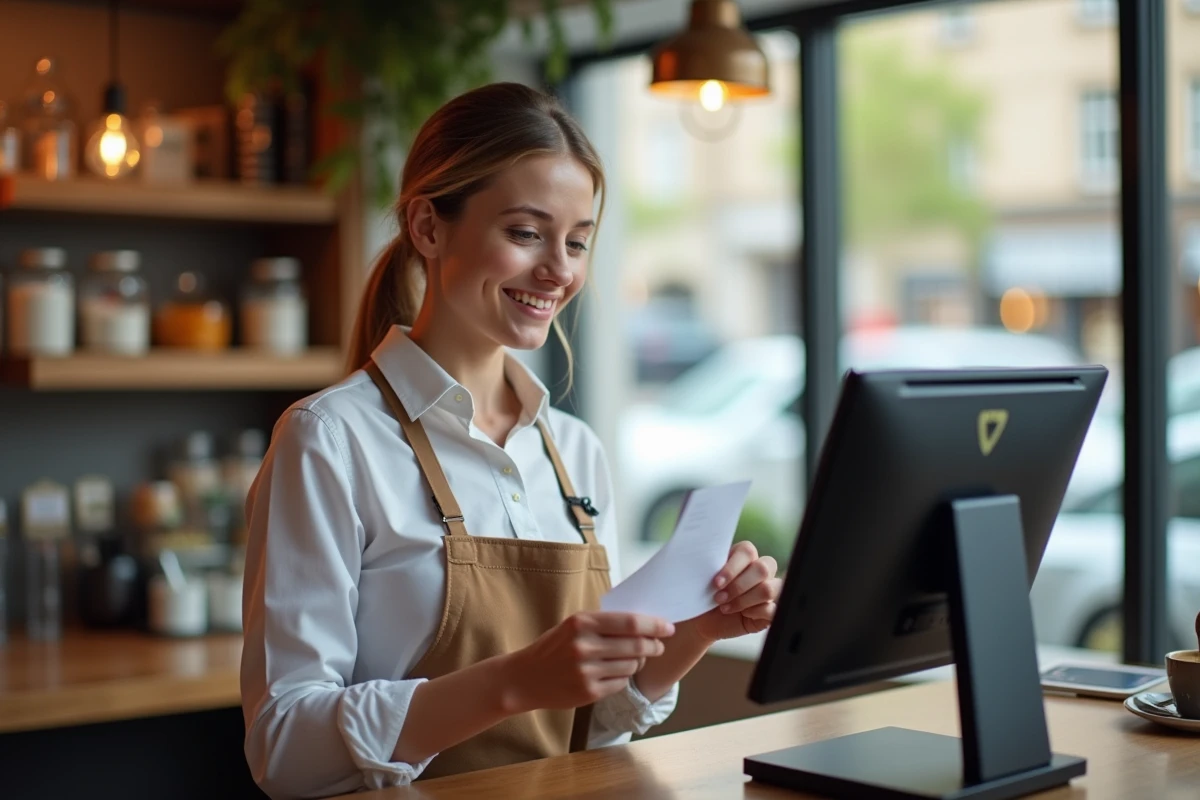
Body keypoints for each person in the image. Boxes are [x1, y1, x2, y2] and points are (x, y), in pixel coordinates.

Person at [240, 82, 782, 799]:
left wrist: (697, 630)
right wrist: (513, 682)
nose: (560, 269)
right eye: (527, 233)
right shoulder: (330, 441)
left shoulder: (574, 451)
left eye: (578, 241)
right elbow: (283, 748)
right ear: (428, 227)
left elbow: (592, 728)